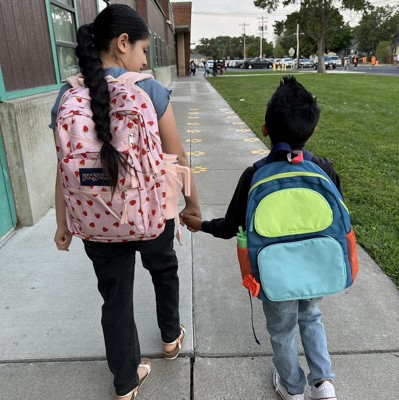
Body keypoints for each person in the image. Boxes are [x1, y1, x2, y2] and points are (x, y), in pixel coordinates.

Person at [49, 5, 201, 400]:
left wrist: (62, 223)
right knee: (163, 271)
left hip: (96, 220)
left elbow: (64, 167)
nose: (146, 58)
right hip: (150, 214)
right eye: (144, 50)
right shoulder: (148, 89)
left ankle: (126, 382)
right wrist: (192, 204)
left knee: (114, 296)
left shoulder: (66, 94)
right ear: (122, 44)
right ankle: (170, 338)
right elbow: (176, 157)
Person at [182, 76, 339, 400]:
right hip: (314, 265)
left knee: (282, 331)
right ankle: (323, 384)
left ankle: (292, 388)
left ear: (265, 128)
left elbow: (230, 226)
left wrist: (201, 225)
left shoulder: (254, 174)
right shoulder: (325, 169)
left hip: (274, 273)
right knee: (311, 316)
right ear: (313, 130)